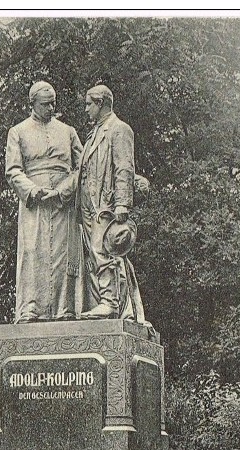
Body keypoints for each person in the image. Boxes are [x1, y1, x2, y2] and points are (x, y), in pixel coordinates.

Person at [5, 81, 84, 323]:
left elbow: (82, 167)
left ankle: (65, 309)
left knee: (63, 254)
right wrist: (34, 190)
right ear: (33, 104)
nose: (52, 107)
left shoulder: (67, 131)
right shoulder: (18, 132)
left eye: (53, 103)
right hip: (34, 203)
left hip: (63, 202)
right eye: (46, 104)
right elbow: (13, 170)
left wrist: (62, 191)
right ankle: (31, 308)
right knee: (33, 252)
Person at [78, 84, 145, 321]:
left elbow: (124, 167)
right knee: (93, 255)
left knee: (103, 251)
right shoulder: (94, 133)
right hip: (89, 205)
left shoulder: (119, 129)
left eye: (88, 104)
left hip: (106, 204)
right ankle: (103, 300)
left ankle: (110, 301)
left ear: (100, 103)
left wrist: (122, 204)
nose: (85, 110)